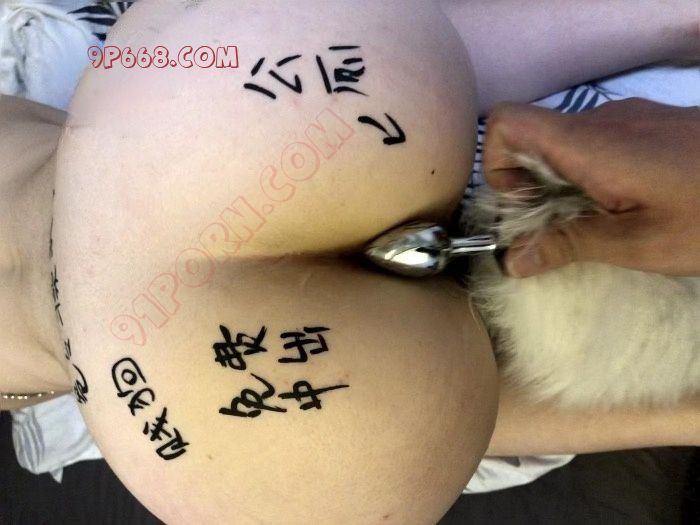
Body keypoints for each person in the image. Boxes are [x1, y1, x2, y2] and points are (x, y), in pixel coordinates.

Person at [1, 0, 698, 523]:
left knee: (480, 391)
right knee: (418, 68)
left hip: (192, 418)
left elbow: (479, 418)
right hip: (194, 115)